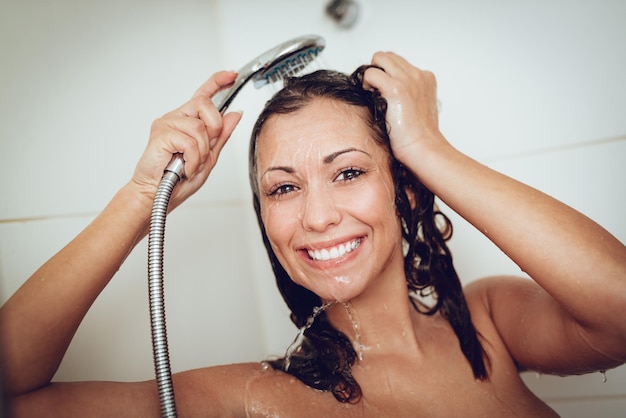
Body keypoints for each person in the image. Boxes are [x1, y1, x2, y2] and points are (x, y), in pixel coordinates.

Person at [1, 51, 625, 417]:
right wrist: (142, 199)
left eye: (348, 172)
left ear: (404, 185)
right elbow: (13, 390)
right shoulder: (256, 398)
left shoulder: (487, 326)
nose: (317, 216)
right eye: (283, 187)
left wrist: (429, 149)